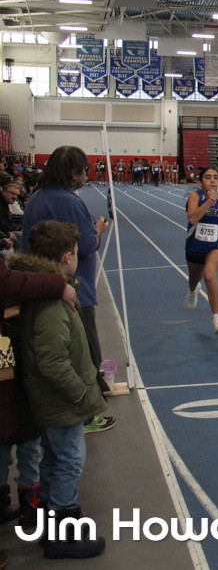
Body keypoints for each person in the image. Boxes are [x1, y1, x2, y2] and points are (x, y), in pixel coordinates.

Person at [10, 220, 107, 558]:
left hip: (51, 400)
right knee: (69, 460)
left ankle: (50, 522)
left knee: (53, 459)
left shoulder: (46, 294)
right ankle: (65, 530)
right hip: (61, 402)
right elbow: (52, 361)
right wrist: (80, 392)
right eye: (76, 253)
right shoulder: (53, 305)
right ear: (68, 257)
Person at [20, 146, 113, 433]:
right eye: (85, 171)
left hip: (40, 286)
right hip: (72, 290)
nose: (86, 176)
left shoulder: (36, 198)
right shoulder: (69, 202)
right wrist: (98, 229)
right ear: (74, 173)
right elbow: (85, 246)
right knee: (83, 353)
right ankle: (85, 414)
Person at [184, 168, 218, 334]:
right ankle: (193, 290)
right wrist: (209, 201)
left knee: (209, 275)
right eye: (208, 177)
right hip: (195, 246)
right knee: (194, 280)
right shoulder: (195, 196)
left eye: (216, 177)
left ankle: (217, 319)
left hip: (216, 245)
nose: (213, 180)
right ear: (200, 181)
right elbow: (192, 218)